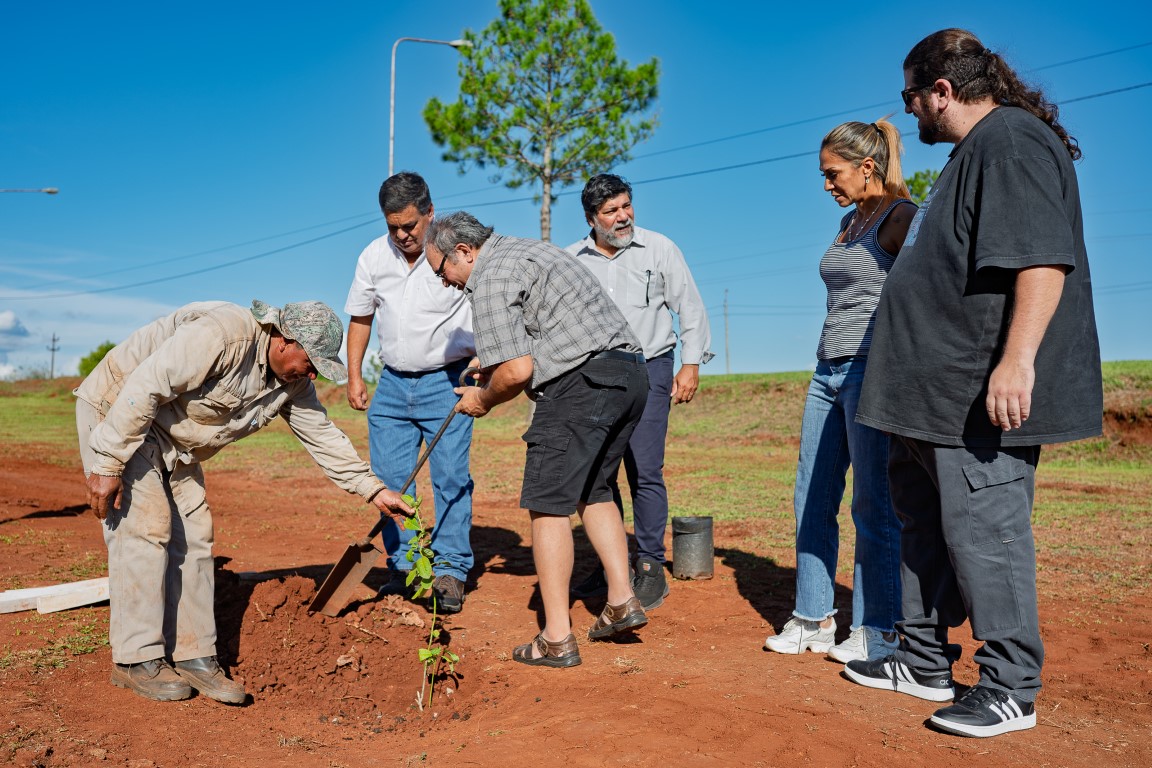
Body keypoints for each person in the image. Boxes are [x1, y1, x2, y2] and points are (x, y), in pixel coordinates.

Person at [845, 29, 1102, 739]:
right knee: (925, 527)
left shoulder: (1012, 141)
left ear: (942, 92)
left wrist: (1017, 361)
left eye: (911, 99)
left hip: (973, 389)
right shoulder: (972, 154)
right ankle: (924, 658)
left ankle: (1011, 686)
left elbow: (1042, 261)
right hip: (926, 396)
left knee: (985, 532)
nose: (912, 113)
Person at [74, 300, 413, 704]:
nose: (312, 373)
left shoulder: (293, 383)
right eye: (310, 362)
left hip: (173, 439)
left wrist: (373, 489)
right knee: (146, 527)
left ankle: (193, 654)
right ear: (285, 340)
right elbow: (147, 385)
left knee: (196, 533)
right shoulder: (223, 335)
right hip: (119, 410)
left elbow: (322, 435)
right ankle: (136, 659)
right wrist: (109, 462)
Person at [424, 210, 649, 669]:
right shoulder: (528, 250)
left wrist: (482, 400)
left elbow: (517, 372)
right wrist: (496, 370)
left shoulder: (487, 277)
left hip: (578, 386)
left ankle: (555, 638)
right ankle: (622, 601)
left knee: (548, 503)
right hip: (628, 375)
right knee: (596, 490)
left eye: (441, 269)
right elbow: (541, 333)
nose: (444, 281)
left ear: (463, 252)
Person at [763, 120, 914, 663]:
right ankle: (813, 616)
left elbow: (923, 294)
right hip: (827, 372)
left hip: (871, 371)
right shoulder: (851, 222)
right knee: (812, 495)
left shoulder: (901, 218)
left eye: (833, 173)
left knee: (872, 503)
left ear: (865, 167)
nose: (827, 184)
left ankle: (878, 628)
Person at [565, 174, 713, 610]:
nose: (623, 216)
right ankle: (614, 565)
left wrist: (690, 364)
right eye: (611, 211)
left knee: (645, 469)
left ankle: (649, 565)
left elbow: (690, 305)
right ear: (592, 219)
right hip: (594, 375)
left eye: (626, 206)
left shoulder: (660, 248)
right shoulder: (573, 259)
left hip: (652, 367)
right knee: (598, 474)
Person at [344, 172, 478, 614]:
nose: (402, 235)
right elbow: (361, 318)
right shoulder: (371, 257)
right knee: (392, 485)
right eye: (392, 227)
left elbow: (486, 307)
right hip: (393, 385)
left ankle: (451, 572)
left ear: (430, 213)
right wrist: (355, 375)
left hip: (448, 379)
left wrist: (485, 363)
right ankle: (404, 571)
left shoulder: (455, 254)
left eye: (410, 226)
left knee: (451, 479)